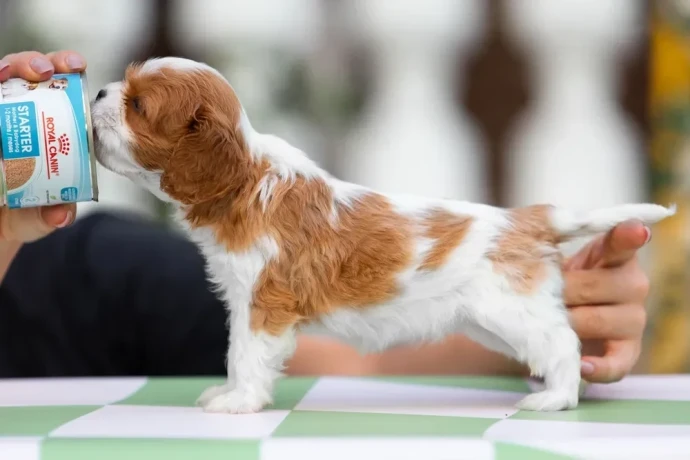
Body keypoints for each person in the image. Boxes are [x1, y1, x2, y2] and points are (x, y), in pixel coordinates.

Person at [0, 50, 652, 384]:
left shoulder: (98, 273)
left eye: (139, 103)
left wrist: (542, 314)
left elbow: (349, 357)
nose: (111, 101)